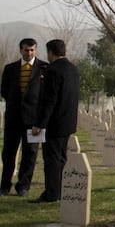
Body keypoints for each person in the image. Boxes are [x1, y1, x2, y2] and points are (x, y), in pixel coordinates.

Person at [30, 39, 79, 203]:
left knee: (51, 160)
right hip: (68, 121)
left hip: (54, 123)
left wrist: (39, 124)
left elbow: (49, 100)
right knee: (61, 158)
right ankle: (61, 189)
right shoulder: (73, 69)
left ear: (51, 52)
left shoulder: (53, 71)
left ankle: (51, 193)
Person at [0, 38, 48, 197]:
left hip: (33, 120)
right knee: (8, 153)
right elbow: (4, 91)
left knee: (30, 154)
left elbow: (46, 95)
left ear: (36, 50)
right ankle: (5, 185)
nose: (29, 53)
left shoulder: (44, 68)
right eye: (26, 50)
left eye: (32, 50)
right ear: (21, 50)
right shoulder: (10, 68)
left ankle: (23, 186)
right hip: (13, 119)